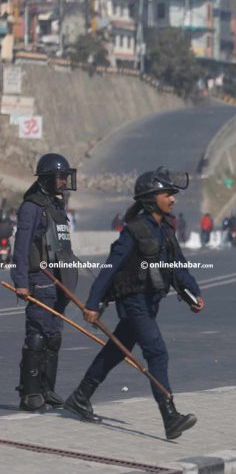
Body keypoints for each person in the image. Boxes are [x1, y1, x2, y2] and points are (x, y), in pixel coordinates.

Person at [63, 168, 204, 440]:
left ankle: (80, 397)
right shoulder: (134, 231)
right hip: (133, 302)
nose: (173, 199)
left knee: (115, 351)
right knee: (157, 352)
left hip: (150, 302)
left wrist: (194, 293)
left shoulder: (165, 230)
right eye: (168, 194)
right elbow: (110, 268)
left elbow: (178, 267)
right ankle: (170, 416)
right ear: (152, 198)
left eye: (173, 195)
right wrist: (92, 304)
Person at [11, 153, 79, 411]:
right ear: (48, 178)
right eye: (60, 177)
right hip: (39, 279)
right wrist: (21, 281)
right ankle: (29, 393)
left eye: (65, 177)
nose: (64, 181)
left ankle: (47, 389)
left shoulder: (57, 206)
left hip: (59, 278)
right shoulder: (31, 206)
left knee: (53, 337)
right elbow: (21, 246)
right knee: (37, 336)